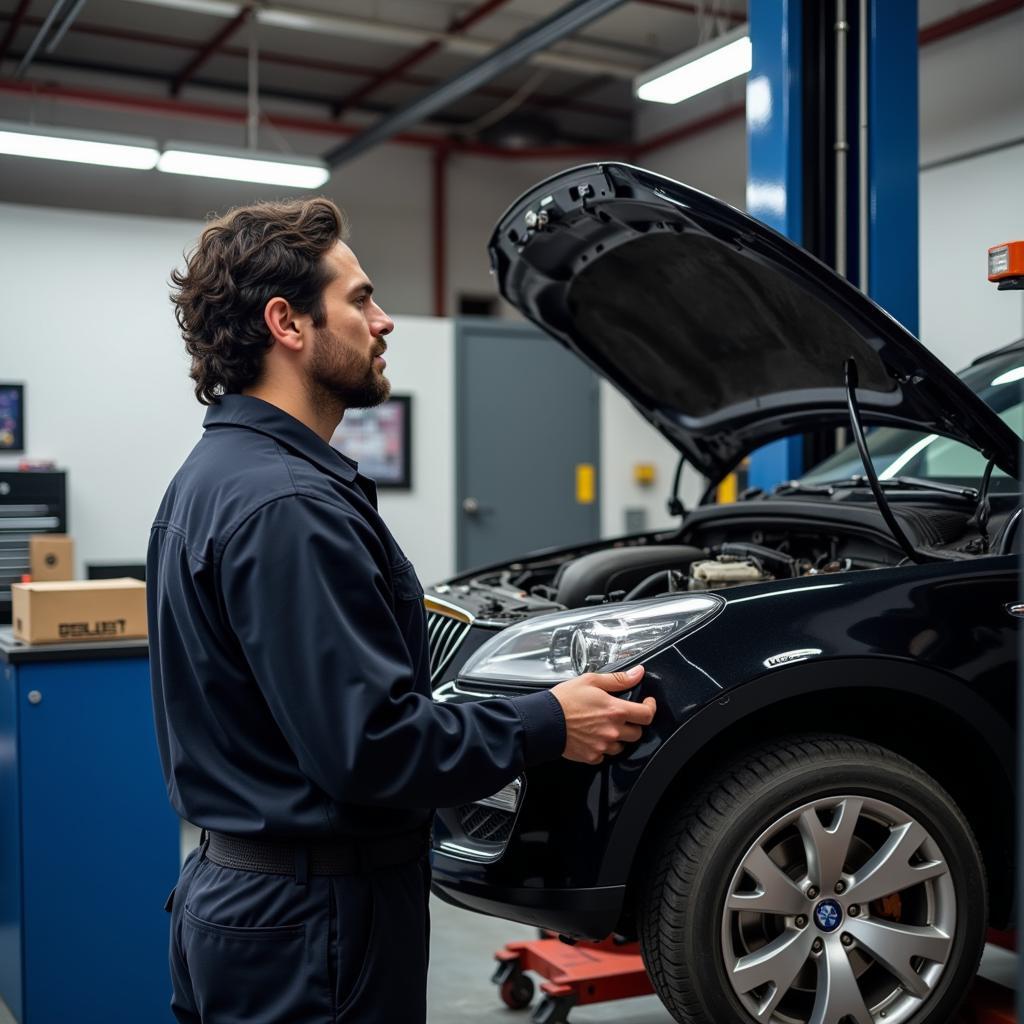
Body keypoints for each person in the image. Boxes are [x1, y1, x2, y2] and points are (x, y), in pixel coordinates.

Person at [148, 196, 657, 1024]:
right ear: (288, 322)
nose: (384, 322)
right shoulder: (287, 506)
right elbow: (372, 750)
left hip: (248, 901)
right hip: (314, 927)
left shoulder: (216, 477)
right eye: (359, 299)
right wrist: (547, 721)